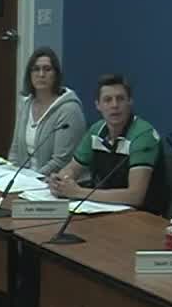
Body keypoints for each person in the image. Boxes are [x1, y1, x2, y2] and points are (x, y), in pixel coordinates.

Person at [46, 74, 161, 208]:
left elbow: (135, 196)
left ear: (130, 102)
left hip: (142, 213)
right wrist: (61, 181)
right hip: (104, 207)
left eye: (120, 99)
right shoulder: (96, 130)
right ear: (98, 105)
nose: (114, 105)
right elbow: (73, 168)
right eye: (107, 100)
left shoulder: (143, 135)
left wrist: (78, 192)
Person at [5, 47, 86, 177]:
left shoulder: (69, 109)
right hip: (23, 179)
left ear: (56, 74)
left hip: (52, 180)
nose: (41, 74)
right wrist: (11, 174)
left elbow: (61, 161)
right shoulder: (26, 104)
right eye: (36, 69)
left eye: (47, 69)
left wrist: (31, 179)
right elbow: (15, 150)